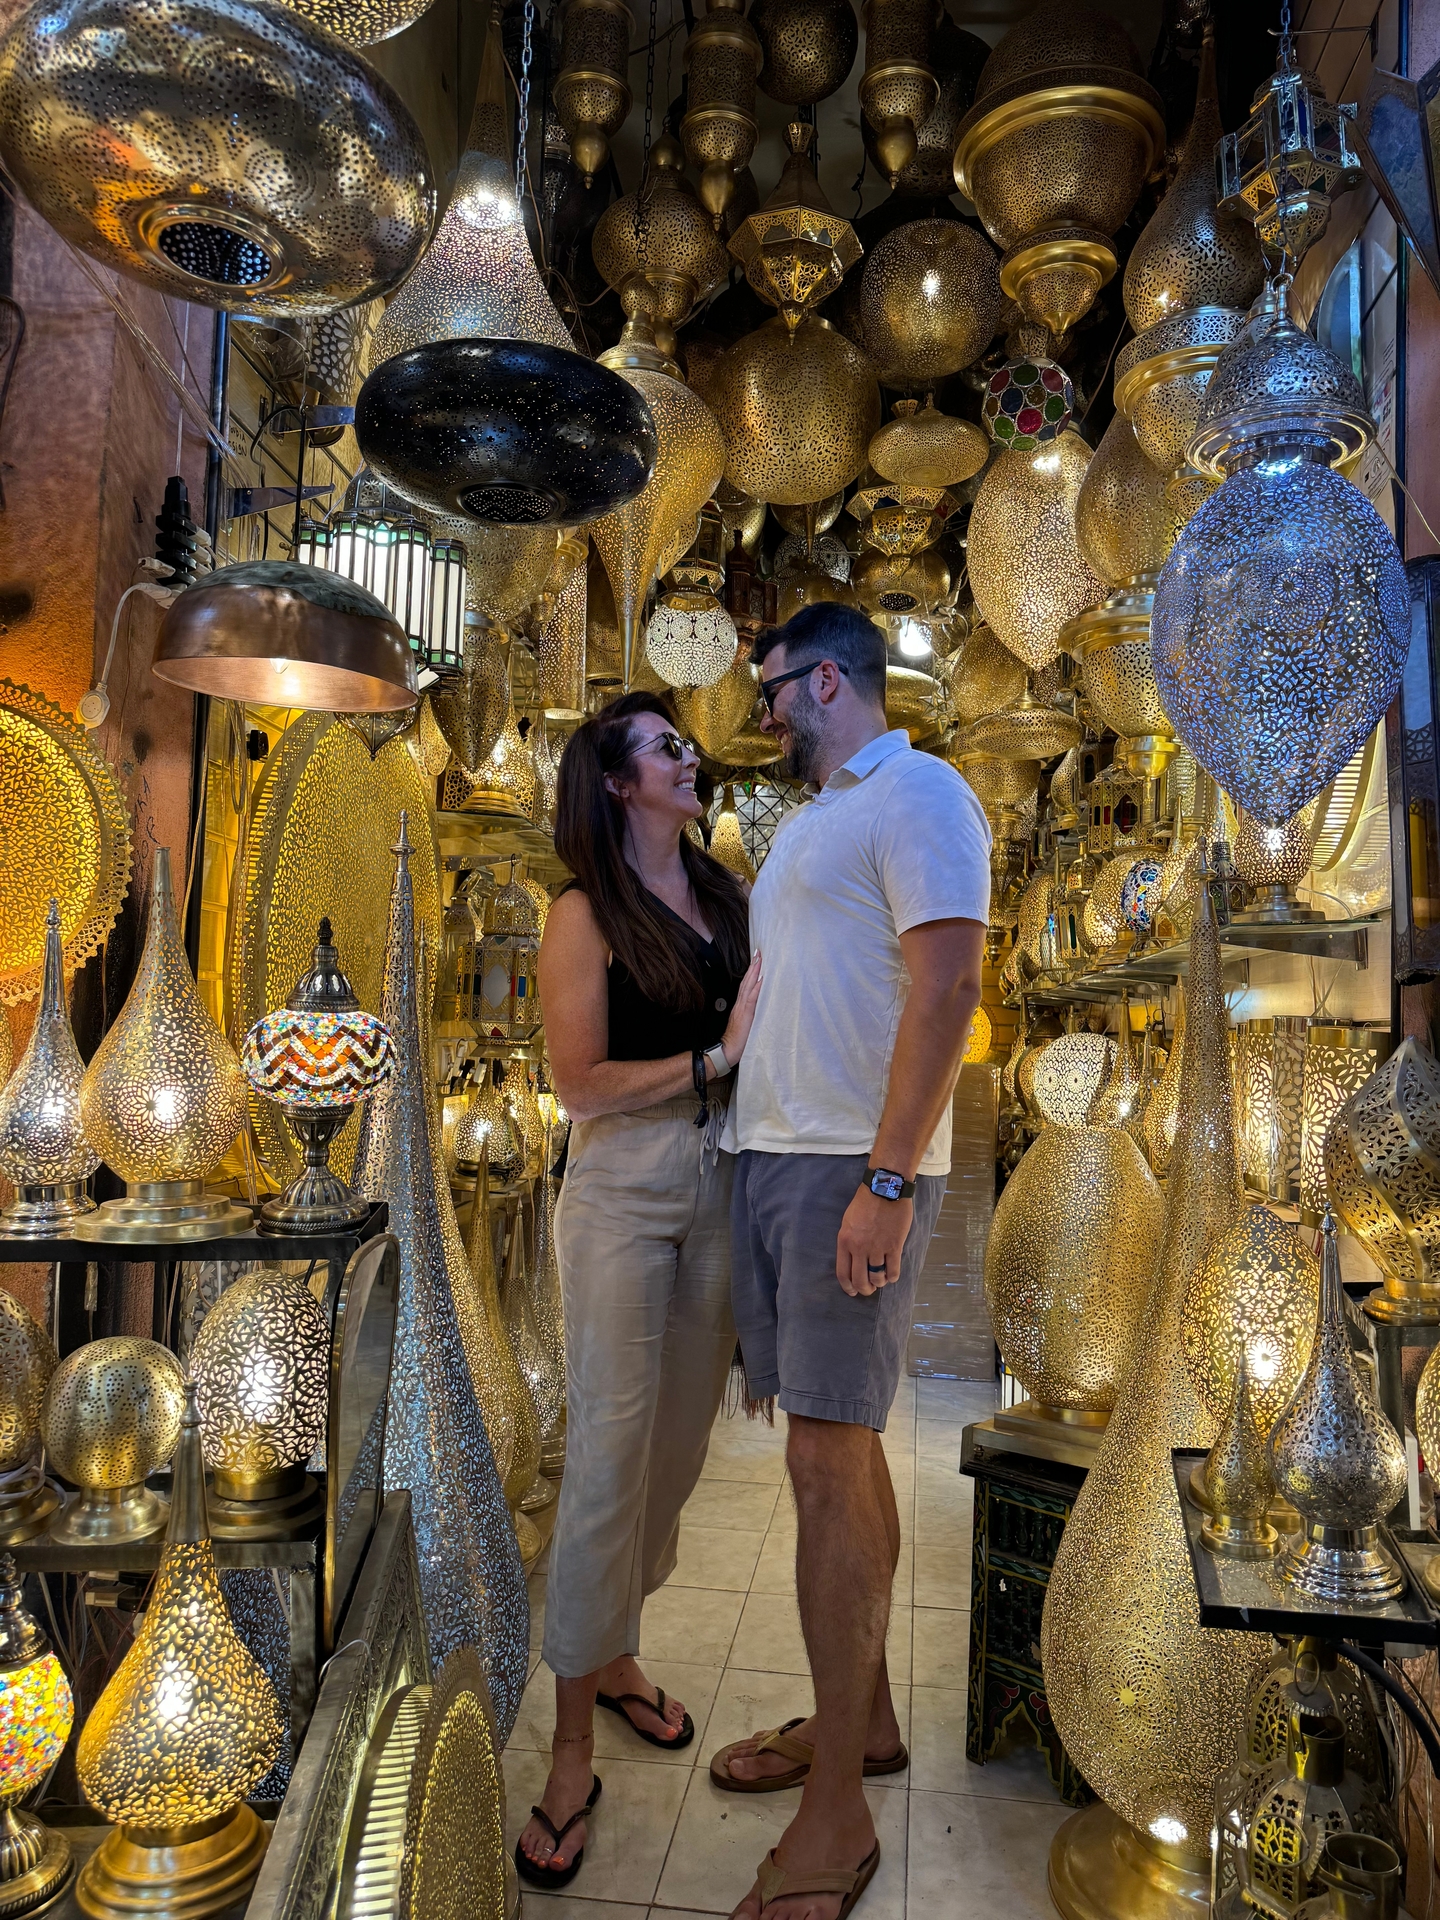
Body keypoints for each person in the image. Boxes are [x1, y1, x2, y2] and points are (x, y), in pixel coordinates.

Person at [707, 605, 990, 1920]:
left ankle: (837, 1815)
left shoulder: (919, 792)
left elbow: (949, 990)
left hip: (844, 1167)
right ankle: (858, 1723)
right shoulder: (817, 820)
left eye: (771, 692)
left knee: (827, 1462)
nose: (763, 716)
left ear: (828, 681)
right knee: (834, 1449)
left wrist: (886, 1178)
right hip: (777, 1157)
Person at [519, 691, 763, 1889]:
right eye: (666, 747)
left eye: (686, 743)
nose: (689, 756)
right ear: (617, 782)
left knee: (675, 1454)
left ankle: (616, 1649)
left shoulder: (726, 895)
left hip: (720, 1177)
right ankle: (569, 1748)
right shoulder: (584, 912)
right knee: (610, 1457)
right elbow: (579, 1085)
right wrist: (715, 1058)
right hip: (622, 1184)